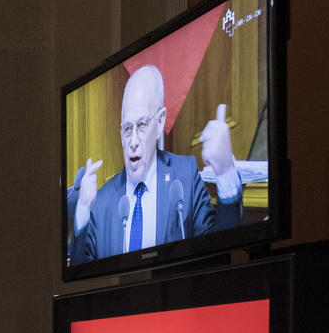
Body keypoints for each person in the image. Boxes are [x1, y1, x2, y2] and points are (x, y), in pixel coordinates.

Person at [70, 65, 243, 263]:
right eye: (127, 129)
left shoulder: (185, 176)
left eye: (142, 125)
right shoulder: (103, 200)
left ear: (160, 122)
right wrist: (83, 208)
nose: (133, 141)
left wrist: (225, 172)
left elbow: (219, 253)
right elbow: (80, 273)